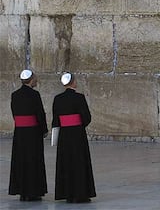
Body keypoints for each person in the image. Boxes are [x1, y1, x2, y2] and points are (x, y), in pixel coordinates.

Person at [52, 73, 96, 203]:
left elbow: (55, 120)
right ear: (72, 82)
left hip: (64, 135)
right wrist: (79, 125)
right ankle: (80, 194)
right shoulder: (79, 97)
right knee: (79, 162)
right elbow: (86, 117)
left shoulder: (57, 98)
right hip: (77, 134)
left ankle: (67, 194)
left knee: (66, 162)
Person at [9, 70, 48, 201]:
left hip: (20, 133)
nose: (36, 80)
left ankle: (22, 191)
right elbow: (40, 114)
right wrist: (44, 129)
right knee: (33, 161)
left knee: (21, 160)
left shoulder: (14, 95)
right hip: (33, 132)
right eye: (35, 78)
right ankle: (33, 191)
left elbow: (14, 113)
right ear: (31, 80)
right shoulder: (35, 95)